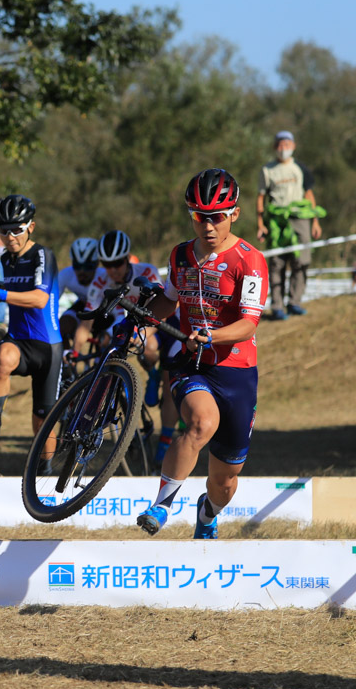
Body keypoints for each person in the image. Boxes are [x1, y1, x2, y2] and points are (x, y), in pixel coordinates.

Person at [136, 169, 268, 539]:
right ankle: (161, 505)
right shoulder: (180, 255)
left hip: (238, 373)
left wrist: (210, 335)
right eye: (199, 216)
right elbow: (168, 301)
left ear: (235, 214)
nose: (208, 226)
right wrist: (143, 322)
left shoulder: (250, 260)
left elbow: (248, 325)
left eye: (217, 217)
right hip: (192, 365)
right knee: (199, 423)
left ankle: (207, 512)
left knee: (224, 481)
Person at [0, 195, 62, 445]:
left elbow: (39, 299)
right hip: (19, 339)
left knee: (42, 425)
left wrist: (1, 294)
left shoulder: (43, 255)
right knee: (2, 358)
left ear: (30, 227)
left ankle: (45, 468)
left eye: (17, 230)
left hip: (47, 346)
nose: (10, 237)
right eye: (3, 230)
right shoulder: (6, 260)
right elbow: (9, 290)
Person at [75, 230, 165, 402]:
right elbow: (86, 323)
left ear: (127, 258)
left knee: (149, 349)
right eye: (107, 264)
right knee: (105, 344)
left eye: (117, 263)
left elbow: (163, 312)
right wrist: (75, 352)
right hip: (121, 321)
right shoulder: (99, 281)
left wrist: (141, 333)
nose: (113, 270)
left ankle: (153, 374)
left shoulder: (147, 271)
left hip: (148, 321)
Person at [257, 130, 324, 320]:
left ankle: (295, 302)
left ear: (293, 146)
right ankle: (277, 306)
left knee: (301, 261)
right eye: (280, 144)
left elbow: (309, 195)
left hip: (300, 217)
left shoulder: (300, 169)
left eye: (287, 144)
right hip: (277, 220)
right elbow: (261, 198)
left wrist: (315, 221)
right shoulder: (267, 170)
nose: (283, 148)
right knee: (277, 263)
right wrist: (261, 224)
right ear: (274, 147)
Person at [57, 236, 102, 348]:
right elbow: (50, 302)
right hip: (83, 306)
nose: (82, 271)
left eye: (88, 267)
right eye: (77, 266)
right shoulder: (66, 275)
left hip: (105, 311)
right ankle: (66, 360)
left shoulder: (105, 276)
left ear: (97, 264)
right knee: (61, 327)